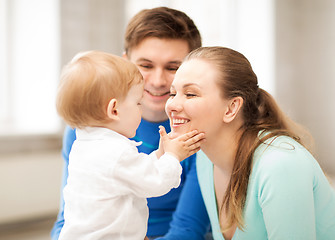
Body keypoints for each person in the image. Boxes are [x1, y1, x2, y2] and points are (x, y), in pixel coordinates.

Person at [51, 7, 211, 240]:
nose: (157, 81)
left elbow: (187, 229)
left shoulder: (199, 134)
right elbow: (69, 219)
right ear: (124, 63)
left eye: (172, 68)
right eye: (145, 66)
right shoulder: (83, 130)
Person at [165, 46, 335, 240]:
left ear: (231, 108)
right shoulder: (204, 159)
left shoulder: (281, 164)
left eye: (190, 94)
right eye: (172, 93)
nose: (172, 105)